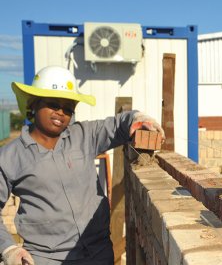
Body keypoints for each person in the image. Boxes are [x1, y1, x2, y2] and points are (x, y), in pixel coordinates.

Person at [0, 66, 165, 264]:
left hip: (97, 251)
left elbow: (117, 124)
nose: (61, 113)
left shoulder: (83, 136)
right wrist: (8, 248)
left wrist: (138, 119)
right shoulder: (10, 156)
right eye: (53, 104)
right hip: (47, 258)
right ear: (34, 104)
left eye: (68, 108)